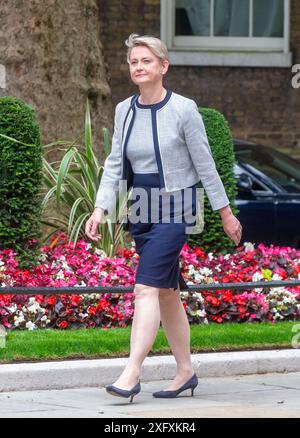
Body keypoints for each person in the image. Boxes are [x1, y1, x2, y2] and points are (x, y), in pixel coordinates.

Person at [85, 33, 242, 402]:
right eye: (133, 62)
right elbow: (113, 163)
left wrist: (225, 213)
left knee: (145, 287)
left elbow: (206, 165)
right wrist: (99, 207)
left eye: (146, 61)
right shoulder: (124, 110)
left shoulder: (184, 109)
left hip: (177, 205)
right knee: (167, 293)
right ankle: (185, 371)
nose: (138, 67)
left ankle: (131, 373)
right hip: (140, 205)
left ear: (163, 66)